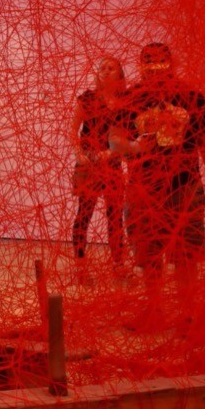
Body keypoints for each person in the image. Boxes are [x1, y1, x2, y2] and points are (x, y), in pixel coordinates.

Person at [124, 42, 205, 295]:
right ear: (141, 65)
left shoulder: (190, 95)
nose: (155, 68)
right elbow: (117, 143)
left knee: (186, 256)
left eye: (160, 61)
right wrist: (133, 147)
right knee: (149, 256)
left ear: (171, 64)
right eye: (149, 61)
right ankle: (153, 310)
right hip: (143, 190)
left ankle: (188, 314)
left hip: (185, 187)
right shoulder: (131, 99)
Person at [70, 56, 130, 271]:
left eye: (111, 68)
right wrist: (79, 155)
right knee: (84, 214)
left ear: (120, 74)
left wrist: (111, 153)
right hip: (89, 164)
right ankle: (79, 261)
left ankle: (118, 262)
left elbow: (127, 134)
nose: (105, 71)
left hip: (112, 165)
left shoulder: (125, 101)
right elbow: (73, 130)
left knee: (115, 217)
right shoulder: (87, 99)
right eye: (102, 68)